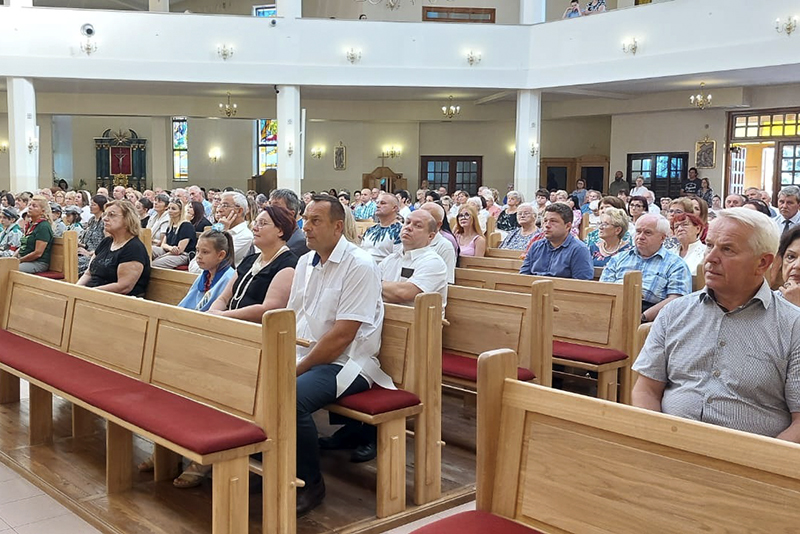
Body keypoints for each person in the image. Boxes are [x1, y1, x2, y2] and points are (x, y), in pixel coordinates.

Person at [632, 208, 800, 443]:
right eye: (709, 245)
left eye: (727, 249)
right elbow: (646, 390)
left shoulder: (793, 326)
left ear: (762, 262)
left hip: (748, 462)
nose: (709, 258)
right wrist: (654, 440)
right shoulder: (675, 312)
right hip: (668, 446)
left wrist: (761, 464)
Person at [289, 194, 394, 515]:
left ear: (338, 227)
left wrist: (295, 369)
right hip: (305, 352)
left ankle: (309, 483)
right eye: (304, 220)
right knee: (246, 377)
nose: (305, 227)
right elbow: (293, 314)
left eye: (315, 221)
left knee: (290, 396)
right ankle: (266, 460)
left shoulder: (360, 265)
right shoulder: (305, 261)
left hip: (347, 363)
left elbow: (342, 336)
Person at [207, 205, 297, 323]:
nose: (255, 228)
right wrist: (213, 315)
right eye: (255, 223)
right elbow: (224, 298)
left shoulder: (288, 265)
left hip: (257, 332)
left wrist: (224, 315)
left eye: (262, 223)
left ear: (280, 231)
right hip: (229, 323)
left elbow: (269, 309)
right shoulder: (250, 260)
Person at [600, 214, 692, 322]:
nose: (640, 237)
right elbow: (603, 290)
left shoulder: (676, 264)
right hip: (613, 312)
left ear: (662, 238)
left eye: (648, 233)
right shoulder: (618, 259)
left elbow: (676, 300)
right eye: (638, 231)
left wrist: (643, 317)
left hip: (651, 319)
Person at [77, 200, 150, 296]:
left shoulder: (134, 248)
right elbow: (88, 273)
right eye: (105, 215)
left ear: (128, 219)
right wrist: (76, 290)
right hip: (94, 294)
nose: (105, 219)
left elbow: (123, 287)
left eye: (112, 215)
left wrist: (88, 293)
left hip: (118, 301)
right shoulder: (106, 242)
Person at [520, 203, 593, 279]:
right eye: (545, 221)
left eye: (553, 221)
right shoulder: (535, 246)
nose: (547, 225)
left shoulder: (579, 250)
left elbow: (582, 285)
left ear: (568, 226)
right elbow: (523, 278)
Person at [188, 191, 254, 273]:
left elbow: (215, 264)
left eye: (225, 206)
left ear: (239, 211)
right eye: (220, 205)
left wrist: (221, 232)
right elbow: (194, 265)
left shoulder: (245, 236)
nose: (220, 209)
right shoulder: (217, 229)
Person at [177, 230, 236, 313]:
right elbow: (187, 303)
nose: (198, 256)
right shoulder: (205, 274)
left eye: (205, 252)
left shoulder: (229, 278)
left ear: (221, 255)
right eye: (197, 250)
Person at [418, 202, 457, 283]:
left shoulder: (445, 246)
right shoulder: (409, 240)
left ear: (438, 225)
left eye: (425, 219)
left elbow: (447, 281)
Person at [151, 199, 196, 269]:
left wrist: (165, 254)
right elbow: (163, 244)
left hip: (182, 255)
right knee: (148, 249)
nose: (170, 211)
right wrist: (170, 248)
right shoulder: (171, 225)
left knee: (154, 264)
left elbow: (179, 250)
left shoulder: (186, 225)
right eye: (169, 208)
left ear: (180, 211)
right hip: (168, 250)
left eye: (173, 209)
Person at [16, 195, 54, 274]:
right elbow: (22, 246)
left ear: (42, 211)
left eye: (34, 206)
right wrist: (12, 259)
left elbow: (38, 253)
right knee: (4, 265)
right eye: (30, 205)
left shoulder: (43, 226)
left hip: (38, 262)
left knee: (10, 269)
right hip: (24, 259)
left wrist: (19, 260)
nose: (30, 207)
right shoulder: (30, 224)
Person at [360, 193, 402, 264]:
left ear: (395, 208)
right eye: (377, 202)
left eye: (383, 203)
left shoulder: (401, 231)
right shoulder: (370, 230)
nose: (377, 205)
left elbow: (397, 260)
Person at [269, 188, 310, 258]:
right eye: (269, 205)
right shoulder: (270, 234)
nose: (269, 210)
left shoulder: (299, 242)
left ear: (291, 214)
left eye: (275, 207)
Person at [78, 195, 108, 276]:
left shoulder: (105, 222)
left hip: (97, 255)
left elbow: (107, 244)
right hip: (85, 252)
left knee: (75, 263)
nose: (91, 207)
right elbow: (88, 240)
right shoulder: (91, 220)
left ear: (101, 206)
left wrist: (89, 253)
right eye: (90, 204)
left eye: (94, 205)